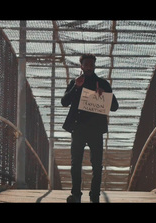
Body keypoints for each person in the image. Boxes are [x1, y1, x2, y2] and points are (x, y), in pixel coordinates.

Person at [61, 54, 119, 203]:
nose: (89, 67)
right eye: (86, 64)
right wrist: (76, 87)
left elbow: (114, 107)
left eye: (91, 65)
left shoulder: (102, 83)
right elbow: (64, 102)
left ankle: (95, 196)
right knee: (75, 164)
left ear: (94, 66)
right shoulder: (75, 83)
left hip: (95, 130)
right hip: (78, 128)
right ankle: (76, 195)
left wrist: (104, 95)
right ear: (81, 66)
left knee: (97, 165)